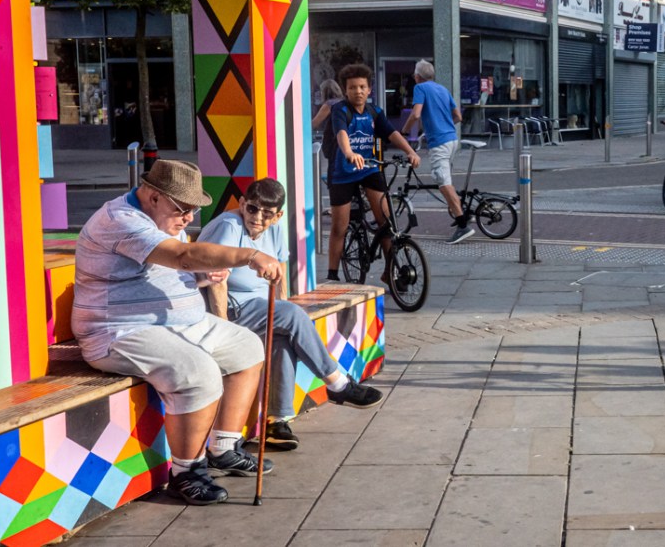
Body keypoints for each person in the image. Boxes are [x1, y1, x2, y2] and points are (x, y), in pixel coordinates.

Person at [71, 160, 280, 506]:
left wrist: (201, 277)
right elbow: (182, 256)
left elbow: (172, 269)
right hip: (119, 330)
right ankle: (186, 472)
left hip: (178, 323)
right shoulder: (121, 220)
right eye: (183, 209)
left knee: (246, 347)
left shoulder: (163, 218)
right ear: (153, 197)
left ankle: (223, 447)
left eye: (193, 210)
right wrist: (249, 255)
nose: (188, 218)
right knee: (197, 371)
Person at [199, 178, 383, 451]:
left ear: (278, 216)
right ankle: (337, 383)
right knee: (291, 316)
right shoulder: (229, 226)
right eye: (252, 209)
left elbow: (280, 269)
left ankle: (276, 422)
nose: (257, 218)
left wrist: (282, 307)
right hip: (230, 309)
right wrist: (224, 328)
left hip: (258, 307)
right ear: (242, 204)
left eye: (267, 214)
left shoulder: (273, 230)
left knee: (283, 334)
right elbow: (216, 280)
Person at [326, 63, 421, 281]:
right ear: (345, 90)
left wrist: (410, 151)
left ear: (369, 89)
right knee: (340, 226)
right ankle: (332, 274)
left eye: (362, 87)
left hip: (368, 169)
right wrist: (349, 152)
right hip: (342, 173)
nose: (357, 91)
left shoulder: (374, 112)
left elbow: (391, 133)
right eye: (352, 87)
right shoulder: (340, 110)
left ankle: (390, 270)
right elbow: (341, 132)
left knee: (386, 221)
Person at [401, 59, 474, 244]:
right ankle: (461, 211)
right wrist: (443, 125)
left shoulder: (420, 88)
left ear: (417, 76)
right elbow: (458, 116)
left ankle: (462, 224)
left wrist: (403, 132)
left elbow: (416, 114)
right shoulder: (443, 89)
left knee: (443, 183)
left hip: (439, 143)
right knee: (446, 179)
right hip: (452, 139)